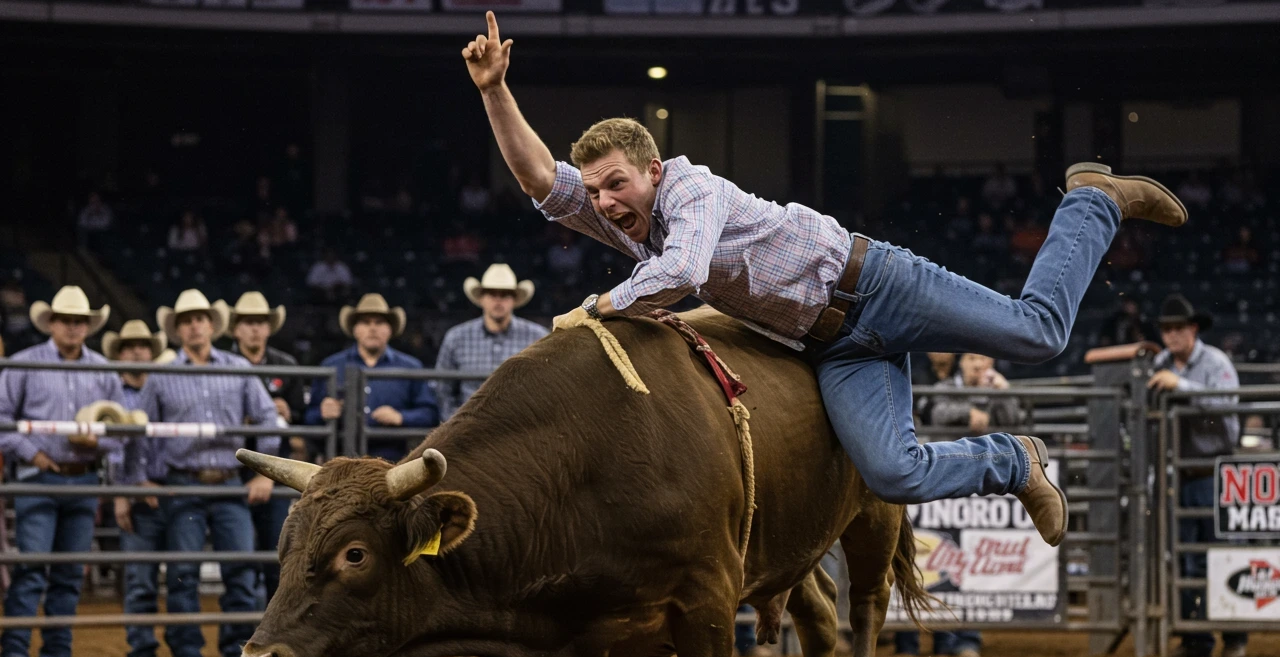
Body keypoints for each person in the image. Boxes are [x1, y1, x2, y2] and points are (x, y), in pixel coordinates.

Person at [462, 11, 1187, 548]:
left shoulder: (692, 192)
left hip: (878, 284)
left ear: (652, 170)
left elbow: (682, 270)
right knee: (892, 476)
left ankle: (1093, 197)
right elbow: (537, 178)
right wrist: (495, 90)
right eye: (593, 191)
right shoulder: (621, 215)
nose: (603, 202)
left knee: (1037, 332)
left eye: (614, 184)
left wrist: (594, 308)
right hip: (833, 343)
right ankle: (1013, 459)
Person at [129, 290, 280, 657]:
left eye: (200, 318)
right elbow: (140, 431)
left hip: (229, 484)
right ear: (178, 329)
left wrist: (263, 472)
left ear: (212, 325)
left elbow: (267, 417)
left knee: (241, 570)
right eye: (187, 320)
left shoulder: (236, 368)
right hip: (186, 483)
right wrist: (141, 477)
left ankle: (235, 651)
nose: (195, 325)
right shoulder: (162, 375)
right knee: (184, 572)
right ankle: (188, 653)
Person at [0, 286, 123, 657]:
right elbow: (2, 418)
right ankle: (15, 651)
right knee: (33, 566)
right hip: (38, 475)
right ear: (52, 323)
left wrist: (98, 441)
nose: (72, 327)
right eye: (66, 321)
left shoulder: (104, 370)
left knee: (68, 571)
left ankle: (55, 652)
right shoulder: (23, 364)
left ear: (87, 326)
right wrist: (32, 452)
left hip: (82, 477)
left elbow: (121, 430)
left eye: (79, 322)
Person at [897, 353, 1023, 657]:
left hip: (973, 490)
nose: (979, 365)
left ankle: (962, 639)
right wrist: (968, 413)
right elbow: (936, 413)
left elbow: (1016, 421)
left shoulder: (996, 388)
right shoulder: (945, 388)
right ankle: (909, 641)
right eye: (972, 359)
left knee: (958, 567)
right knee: (922, 560)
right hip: (941, 484)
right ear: (961, 362)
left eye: (984, 359)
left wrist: (1003, 395)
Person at [1148, 294, 1245, 657]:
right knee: (1185, 559)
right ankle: (1196, 638)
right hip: (1180, 472)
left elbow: (1227, 404)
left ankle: (1235, 637)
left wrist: (1181, 387)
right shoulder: (1160, 363)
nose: (1172, 335)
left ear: (1193, 330)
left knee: (1224, 555)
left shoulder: (1215, 362)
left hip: (1215, 471)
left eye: (1178, 329)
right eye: (1167, 329)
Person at [104, 320, 172, 657]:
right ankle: (141, 652)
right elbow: (115, 451)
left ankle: (178, 650)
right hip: (137, 492)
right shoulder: (112, 394)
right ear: (119, 352)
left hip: (170, 487)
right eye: (129, 346)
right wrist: (124, 492)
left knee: (180, 574)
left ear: (151, 350)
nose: (136, 351)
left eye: (142, 345)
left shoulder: (166, 387)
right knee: (141, 578)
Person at [228, 292, 304, 603]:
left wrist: (290, 413)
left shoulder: (287, 365)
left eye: (260, 322)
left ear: (268, 328)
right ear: (236, 329)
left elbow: (304, 419)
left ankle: (274, 616)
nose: (255, 329)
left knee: (276, 547)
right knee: (239, 551)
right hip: (232, 466)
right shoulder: (226, 364)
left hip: (276, 466)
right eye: (248, 323)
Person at [305, 293, 440, 462]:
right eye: (365, 322)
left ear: (390, 329)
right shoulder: (331, 365)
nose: (372, 328)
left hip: (393, 460)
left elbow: (429, 413)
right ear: (355, 329)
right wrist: (322, 412)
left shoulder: (410, 367)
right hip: (342, 460)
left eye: (379, 322)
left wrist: (401, 417)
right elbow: (309, 416)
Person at [434, 263, 549, 419]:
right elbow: (442, 389)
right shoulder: (456, 337)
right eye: (492, 294)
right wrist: (455, 423)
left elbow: (546, 386)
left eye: (505, 295)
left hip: (520, 425)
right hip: (468, 425)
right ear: (481, 298)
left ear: (514, 299)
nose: (498, 301)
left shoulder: (538, 337)